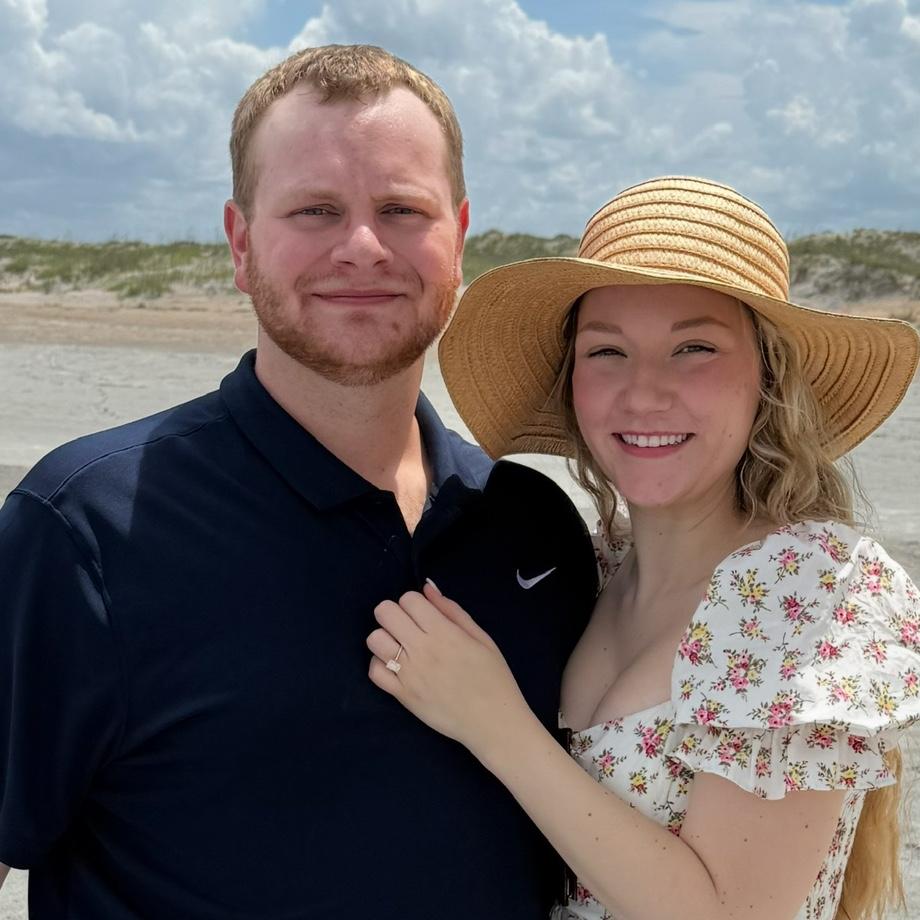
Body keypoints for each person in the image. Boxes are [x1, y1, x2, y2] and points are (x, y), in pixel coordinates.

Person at [0, 45, 598, 918]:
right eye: (315, 210)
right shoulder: (86, 528)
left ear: (459, 239)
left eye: (402, 210)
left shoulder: (533, 527)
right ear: (241, 243)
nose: (362, 247)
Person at [366, 176, 920, 920]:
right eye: (607, 351)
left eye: (695, 348)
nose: (644, 393)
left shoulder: (808, 586)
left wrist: (495, 724)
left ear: (769, 379)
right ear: (572, 383)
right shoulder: (594, 568)